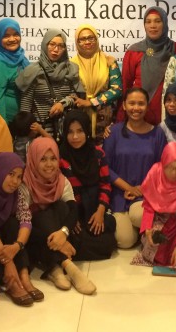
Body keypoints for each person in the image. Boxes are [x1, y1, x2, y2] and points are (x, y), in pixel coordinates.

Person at [23, 137, 97, 295]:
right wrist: (59, 242)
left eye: (53, 158)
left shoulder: (61, 180)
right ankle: (67, 266)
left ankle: (53, 268)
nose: (49, 164)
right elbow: (23, 224)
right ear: (33, 159)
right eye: (43, 159)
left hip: (59, 233)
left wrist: (63, 233)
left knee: (61, 207)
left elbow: (73, 210)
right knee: (41, 216)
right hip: (34, 235)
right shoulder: (25, 183)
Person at [0, 152, 43, 306]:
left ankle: (24, 276)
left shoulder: (15, 192)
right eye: (10, 174)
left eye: (19, 176)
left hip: (3, 243)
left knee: (13, 224)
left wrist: (17, 246)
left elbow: (26, 218)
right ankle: (11, 283)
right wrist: (9, 263)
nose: (15, 182)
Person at [103, 87, 168, 249]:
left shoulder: (158, 134)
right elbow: (106, 168)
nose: (136, 108)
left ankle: (144, 227)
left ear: (147, 106)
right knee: (124, 241)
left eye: (141, 103)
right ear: (124, 105)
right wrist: (128, 188)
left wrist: (142, 188)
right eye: (131, 103)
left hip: (146, 194)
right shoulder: (113, 132)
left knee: (138, 215)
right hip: (120, 194)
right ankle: (143, 231)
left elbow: (162, 168)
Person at [59, 109, 117, 260]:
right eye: (70, 132)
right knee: (72, 234)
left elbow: (105, 185)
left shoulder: (98, 154)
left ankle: (78, 249)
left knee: (109, 233)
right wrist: (71, 219)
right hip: (72, 211)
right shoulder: (60, 157)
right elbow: (59, 193)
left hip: (93, 209)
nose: (75, 137)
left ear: (87, 131)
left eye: (80, 131)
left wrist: (100, 212)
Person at [133, 140, 176, 271]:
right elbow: (149, 204)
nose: (174, 173)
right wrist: (147, 228)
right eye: (169, 167)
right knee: (154, 243)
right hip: (158, 217)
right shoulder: (155, 172)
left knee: (175, 254)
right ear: (163, 163)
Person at [119, 7, 176, 125]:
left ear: (164, 24)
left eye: (157, 21)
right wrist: (121, 118)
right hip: (139, 113)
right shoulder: (134, 52)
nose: (153, 26)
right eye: (148, 22)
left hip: (169, 112)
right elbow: (126, 85)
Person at [16, 29, 82, 138]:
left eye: (60, 46)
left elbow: (76, 97)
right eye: (52, 44)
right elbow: (25, 107)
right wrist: (29, 130)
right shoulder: (33, 71)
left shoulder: (71, 69)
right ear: (44, 45)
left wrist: (62, 104)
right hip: (40, 131)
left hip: (67, 131)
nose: (56, 49)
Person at [71, 24, 122, 144]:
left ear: (96, 39)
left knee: (105, 152)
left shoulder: (109, 61)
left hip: (105, 120)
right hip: (79, 118)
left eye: (91, 38)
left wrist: (91, 102)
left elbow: (117, 89)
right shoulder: (71, 65)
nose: (87, 42)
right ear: (77, 42)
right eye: (82, 39)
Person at [0, 18, 30, 124]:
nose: (12, 39)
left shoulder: (19, 56)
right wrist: (3, 127)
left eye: (16, 34)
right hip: (7, 121)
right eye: (6, 36)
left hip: (21, 121)